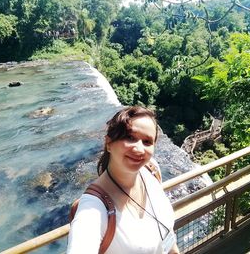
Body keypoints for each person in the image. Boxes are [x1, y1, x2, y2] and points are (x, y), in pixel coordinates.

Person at [67, 106, 180, 254]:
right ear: (108, 143)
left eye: (147, 142)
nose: (139, 149)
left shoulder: (151, 170)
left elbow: (168, 237)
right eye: (130, 137)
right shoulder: (94, 208)